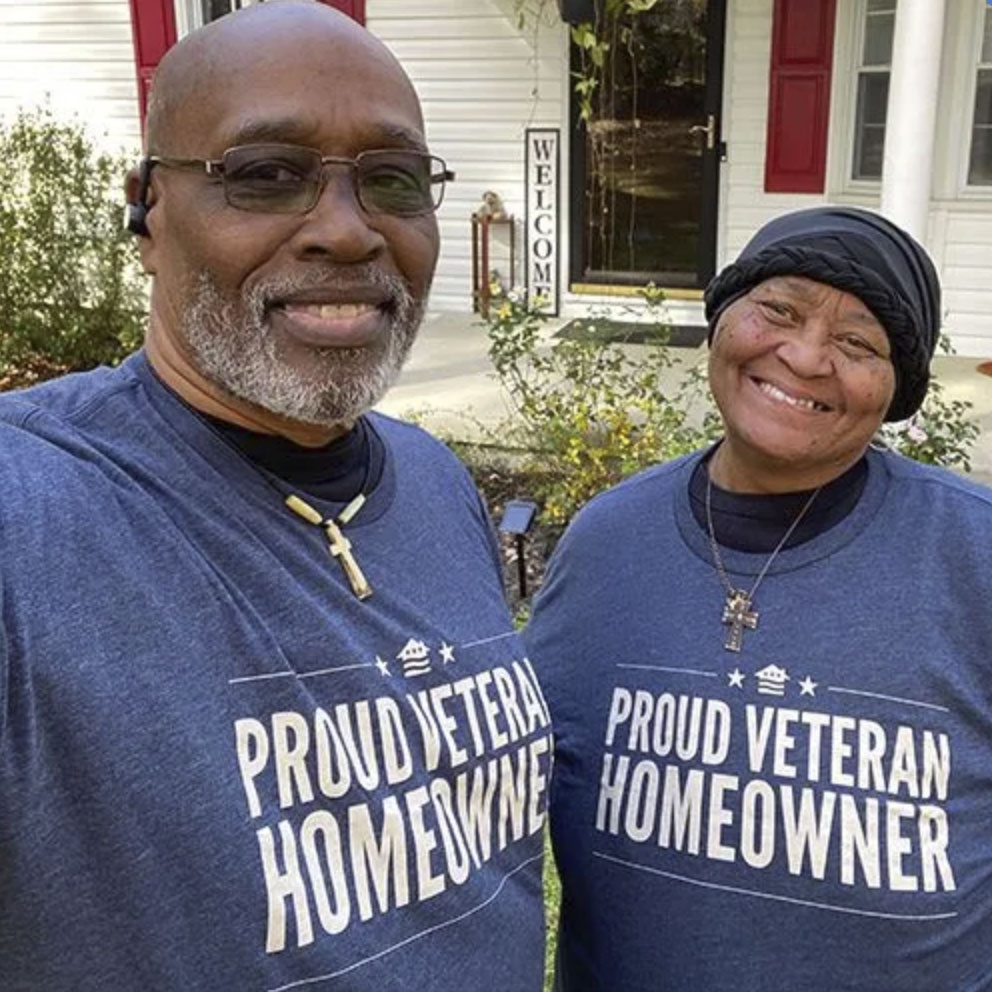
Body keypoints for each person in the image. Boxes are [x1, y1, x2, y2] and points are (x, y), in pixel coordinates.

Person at [0, 4, 551, 990]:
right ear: (146, 211)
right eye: (263, 175)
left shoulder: (430, 480)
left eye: (390, 180)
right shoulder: (31, 506)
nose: (346, 231)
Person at [526, 206, 992, 991]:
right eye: (778, 309)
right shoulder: (605, 542)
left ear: (895, 388)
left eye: (857, 343)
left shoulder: (973, 555)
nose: (806, 357)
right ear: (721, 320)